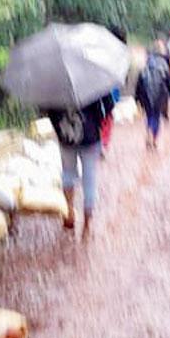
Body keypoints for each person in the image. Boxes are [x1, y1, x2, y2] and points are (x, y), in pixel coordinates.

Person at [46, 92, 116, 235]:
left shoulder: (56, 83)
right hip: (90, 136)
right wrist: (97, 120)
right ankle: (87, 226)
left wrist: (59, 129)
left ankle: (69, 212)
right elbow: (109, 105)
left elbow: (50, 110)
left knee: (67, 173)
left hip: (66, 137)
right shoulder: (92, 80)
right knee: (89, 178)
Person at [135, 39, 170, 149]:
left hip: (146, 93)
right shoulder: (164, 63)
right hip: (160, 94)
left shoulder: (147, 62)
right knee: (156, 116)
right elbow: (169, 82)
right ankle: (153, 138)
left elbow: (139, 80)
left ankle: (149, 130)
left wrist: (137, 98)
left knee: (149, 115)